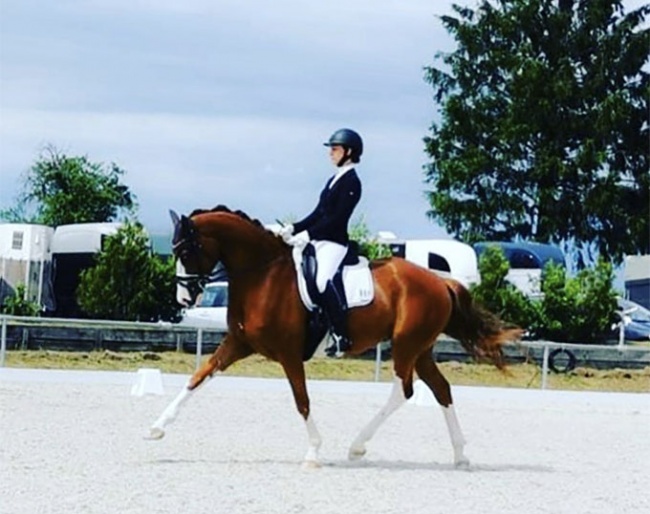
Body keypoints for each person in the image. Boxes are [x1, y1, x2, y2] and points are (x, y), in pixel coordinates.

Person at [278, 128, 363, 357]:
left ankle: (340, 334)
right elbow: (318, 213)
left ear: (349, 152)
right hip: (319, 240)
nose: (331, 154)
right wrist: (294, 227)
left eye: (335, 149)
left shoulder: (352, 182)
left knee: (323, 281)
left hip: (334, 243)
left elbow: (336, 219)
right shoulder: (333, 180)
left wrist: (307, 235)